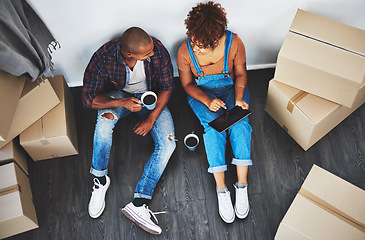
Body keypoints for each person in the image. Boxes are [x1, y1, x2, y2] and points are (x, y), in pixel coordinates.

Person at [82, 27, 176, 235]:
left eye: (152, 50)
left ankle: (139, 203)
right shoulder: (104, 57)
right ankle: (100, 179)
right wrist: (122, 102)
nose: (153, 54)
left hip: (150, 97)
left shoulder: (157, 49)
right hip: (118, 97)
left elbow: (168, 87)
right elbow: (88, 99)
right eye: (147, 54)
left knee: (169, 143)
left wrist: (151, 119)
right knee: (104, 123)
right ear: (129, 54)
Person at [177, 2, 252, 223]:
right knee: (213, 130)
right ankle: (222, 190)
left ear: (216, 40)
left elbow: (241, 74)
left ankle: (242, 186)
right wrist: (208, 100)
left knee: (239, 125)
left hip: (232, 90)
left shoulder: (235, 42)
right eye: (193, 41)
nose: (195, 47)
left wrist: (238, 97)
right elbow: (188, 85)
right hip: (201, 94)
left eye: (201, 45)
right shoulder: (184, 51)